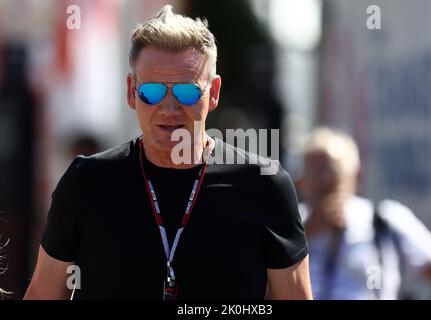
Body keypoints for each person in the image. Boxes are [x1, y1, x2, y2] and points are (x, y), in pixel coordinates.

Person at [24, 6, 312, 300]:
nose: (169, 107)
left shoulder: (265, 186)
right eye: (153, 92)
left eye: (186, 92)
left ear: (213, 93)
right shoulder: (86, 182)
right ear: (131, 92)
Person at [295, 127, 431, 300]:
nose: (325, 181)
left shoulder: (385, 220)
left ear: (357, 175)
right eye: (315, 171)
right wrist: (306, 233)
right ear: (300, 180)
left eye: (332, 170)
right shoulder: (288, 225)